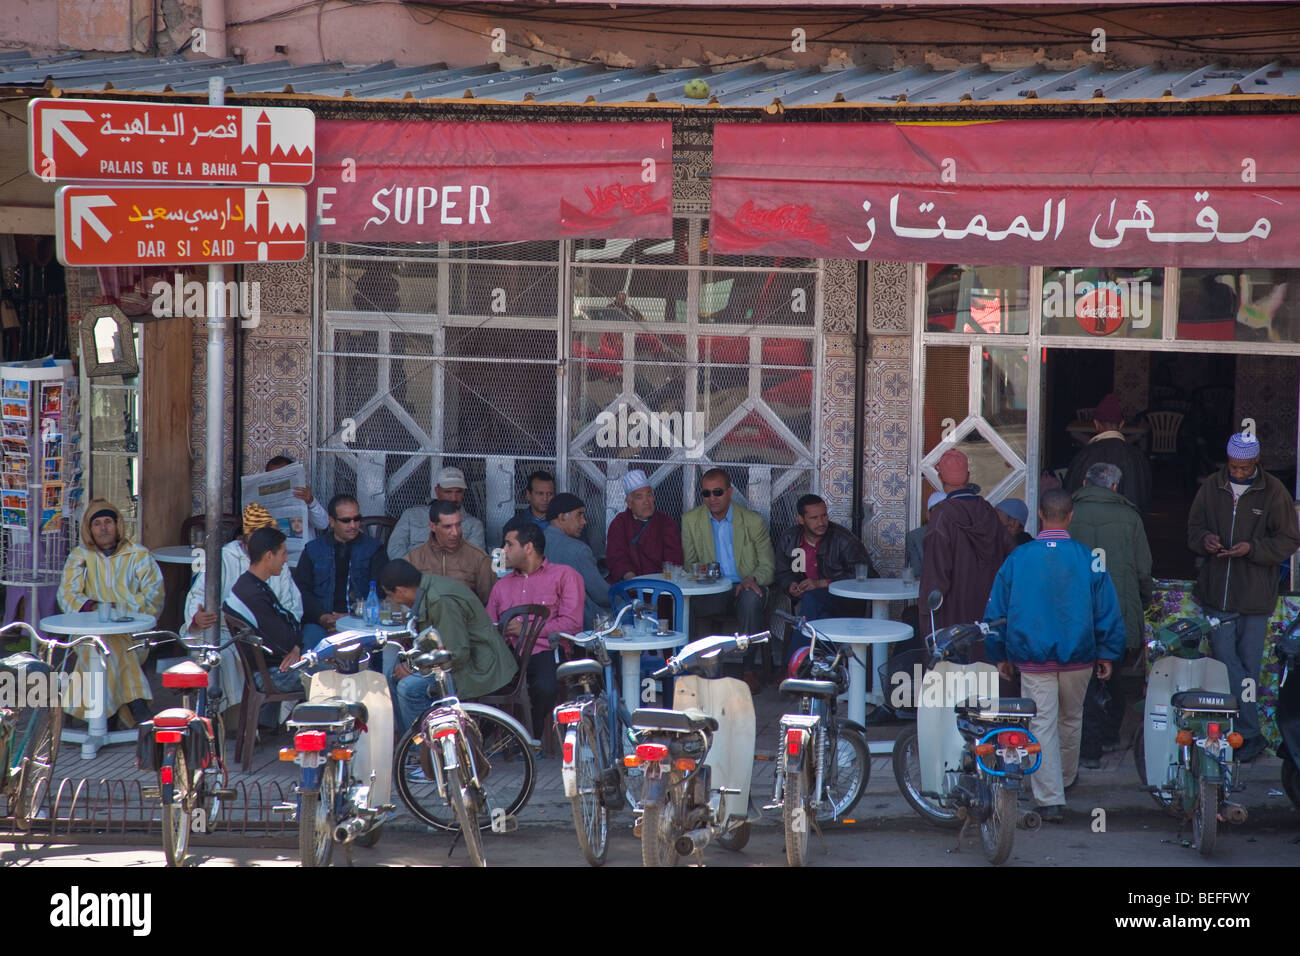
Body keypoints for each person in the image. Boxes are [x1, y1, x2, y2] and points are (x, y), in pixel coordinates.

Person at [984, 489, 1126, 823]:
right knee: (1071, 718)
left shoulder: (1019, 557)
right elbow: (1107, 609)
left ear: (1040, 515)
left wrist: (999, 653)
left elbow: (997, 611)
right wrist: (1107, 652)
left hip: (1033, 657)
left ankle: (1049, 798)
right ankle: (1063, 780)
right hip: (1079, 655)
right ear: (1071, 516)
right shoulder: (1089, 558)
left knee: (1041, 723)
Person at [1187, 431, 1300, 762]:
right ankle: (1248, 733)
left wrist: (1252, 549)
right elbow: (1193, 529)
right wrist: (1205, 540)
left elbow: (1289, 539)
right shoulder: (1211, 486)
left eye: (1244, 467)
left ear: (1257, 462)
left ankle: (1245, 734)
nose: (1238, 472)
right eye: (1234, 466)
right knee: (1226, 660)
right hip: (1216, 595)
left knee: (1249, 664)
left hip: (1254, 596)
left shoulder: (1274, 491)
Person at [1069, 462, 1153, 768]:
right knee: (1112, 673)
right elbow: (1143, 568)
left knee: (1080, 678)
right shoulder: (1130, 517)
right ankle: (1107, 736)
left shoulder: (1068, 513)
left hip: (1075, 610)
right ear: (1115, 487)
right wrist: (1142, 601)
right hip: (1116, 608)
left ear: (1084, 482)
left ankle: (1085, 746)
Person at [183, 502, 304, 708]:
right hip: (223, 631)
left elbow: (293, 608)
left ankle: (262, 717)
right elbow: (198, 599)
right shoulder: (223, 558)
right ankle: (222, 715)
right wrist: (197, 620)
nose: (285, 558)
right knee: (220, 657)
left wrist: (294, 646)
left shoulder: (277, 563)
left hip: (266, 638)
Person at [57, 499, 164, 726]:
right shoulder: (80, 556)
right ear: (89, 529)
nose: (103, 528)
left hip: (133, 635)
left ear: (118, 525)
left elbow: (154, 594)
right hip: (88, 634)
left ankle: (102, 719)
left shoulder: (138, 554)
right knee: (104, 644)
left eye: (108, 522)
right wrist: (94, 607)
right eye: (97, 523)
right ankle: (136, 704)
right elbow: (66, 594)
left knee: (108, 646)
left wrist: (120, 609)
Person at [382, 559, 517, 732]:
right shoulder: (425, 588)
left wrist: (413, 667)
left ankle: (426, 744)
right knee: (392, 677)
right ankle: (410, 741)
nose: (393, 600)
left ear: (401, 590)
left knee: (408, 688)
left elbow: (456, 654)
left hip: (478, 666)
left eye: (391, 595)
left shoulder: (440, 599)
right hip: (460, 659)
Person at [486, 520, 584, 733]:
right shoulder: (501, 585)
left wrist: (527, 630)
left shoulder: (565, 575)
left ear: (528, 547)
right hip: (508, 654)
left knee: (545, 687)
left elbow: (573, 624)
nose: (504, 550)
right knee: (481, 685)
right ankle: (498, 738)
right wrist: (501, 629)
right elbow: (489, 626)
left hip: (546, 651)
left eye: (509, 544)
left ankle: (533, 737)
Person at [681, 468, 775, 690]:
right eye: (706, 493)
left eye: (718, 492)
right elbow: (689, 564)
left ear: (730, 492)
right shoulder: (691, 520)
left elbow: (769, 566)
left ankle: (748, 669)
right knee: (686, 604)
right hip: (713, 589)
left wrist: (752, 578)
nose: (712, 498)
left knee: (750, 600)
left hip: (745, 586)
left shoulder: (752, 521)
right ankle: (692, 665)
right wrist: (700, 571)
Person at [921, 448, 1014, 632]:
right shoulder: (988, 511)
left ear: (940, 478)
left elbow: (935, 575)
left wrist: (927, 614)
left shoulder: (941, 517)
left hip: (953, 616)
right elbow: (1011, 555)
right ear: (968, 476)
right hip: (988, 612)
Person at [222, 527, 306, 725]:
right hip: (272, 675)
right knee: (332, 674)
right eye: (283, 553)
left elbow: (288, 624)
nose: (286, 560)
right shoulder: (252, 593)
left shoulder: (253, 584)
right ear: (269, 555)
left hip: (274, 667)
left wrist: (296, 646)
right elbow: (284, 638)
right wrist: (295, 645)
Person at [774, 494, 870, 657]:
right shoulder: (790, 538)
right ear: (801, 519)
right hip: (811, 604)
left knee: (812, 601)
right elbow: (783, 572)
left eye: (824, 516)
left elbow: (864, 574)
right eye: (814, 518)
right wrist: (791, 585)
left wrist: (822, 583)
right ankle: (824, 665)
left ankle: (798, 663)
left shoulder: (843, 539)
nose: (821, 522)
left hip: (844, 601)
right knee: (817, 613)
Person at [292, 494, 387, 649]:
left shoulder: (374, 549)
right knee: (310, 650)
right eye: (346, 520)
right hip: (321, 622)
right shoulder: (313, 549)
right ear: (332, 521)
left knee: (372, 653)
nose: (353, 525)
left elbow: (380, 591)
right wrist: (322, 617)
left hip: (361, 621)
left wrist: (351, 617)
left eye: (357, 519)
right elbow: (301, 590)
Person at [1063, 393, 1152, 518]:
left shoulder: (1084, 455)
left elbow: (1069, 497)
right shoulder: (1137, 457)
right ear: (1121, 424)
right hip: (1126, 526)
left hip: (1089, 525)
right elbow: (1144, 497)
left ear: (1096, 424)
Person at [403, 500, 496, 605]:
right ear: (432, 526)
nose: (455, 533)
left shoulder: (479, 558)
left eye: (458, 525)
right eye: (447, 526)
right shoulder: (413, 559)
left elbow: (489, 604)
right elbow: (402, 601)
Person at [542, 492, 611, 629]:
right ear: (561, 517)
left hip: (545, 620)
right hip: (583, 623)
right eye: (579, 515)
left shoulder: (535, 543)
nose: (584, 521)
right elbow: (602, 595)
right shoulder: (578, 550)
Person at [388, 466, 487, 557]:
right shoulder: (412, 515)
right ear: (437, 491)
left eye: (458, 492)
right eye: (448, 492)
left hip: (451, 570)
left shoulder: (474, 525)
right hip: (411, 568)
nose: (454, 498)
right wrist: (414, 567)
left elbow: (473, 558)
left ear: (463, 493)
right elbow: (394, 549)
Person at [604, 470, 684, 582]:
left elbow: (674, 558)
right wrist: (633, 581)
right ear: (629, 503)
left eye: (649, 495)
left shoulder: (666, 522)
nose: (646, 501)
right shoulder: (619, 523)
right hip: (630, 585)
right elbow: (617, 558)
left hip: (662, 584)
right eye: (639, 497)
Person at [267, 454, 328, 534]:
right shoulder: (261, 500)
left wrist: (311, 502)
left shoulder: (302, 494)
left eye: (282, 475)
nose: (278, 480)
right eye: (273, 476)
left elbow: (323, 524)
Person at [905, 490, 946, 579]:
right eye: (937, 512)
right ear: (928, 515)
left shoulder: (960, 535)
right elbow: (916, 573)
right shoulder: (914, 537)